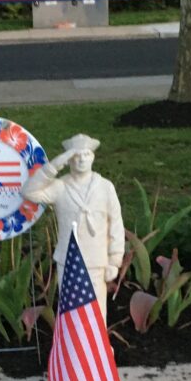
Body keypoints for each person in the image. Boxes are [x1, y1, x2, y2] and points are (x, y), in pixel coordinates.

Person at [21, 132, 124, 323]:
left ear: (93, 157)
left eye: (86, 155)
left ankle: (96, 349)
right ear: (69, 160)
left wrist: (114, 260)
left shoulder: (105, 187)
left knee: (97, 309)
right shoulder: (60, 186)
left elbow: (115, 223)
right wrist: (55, 164)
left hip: (96, 259)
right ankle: (73, 350)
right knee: (71, 309)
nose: (81, 160)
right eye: (76, 156)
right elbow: (29, 191)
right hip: (68, 260)